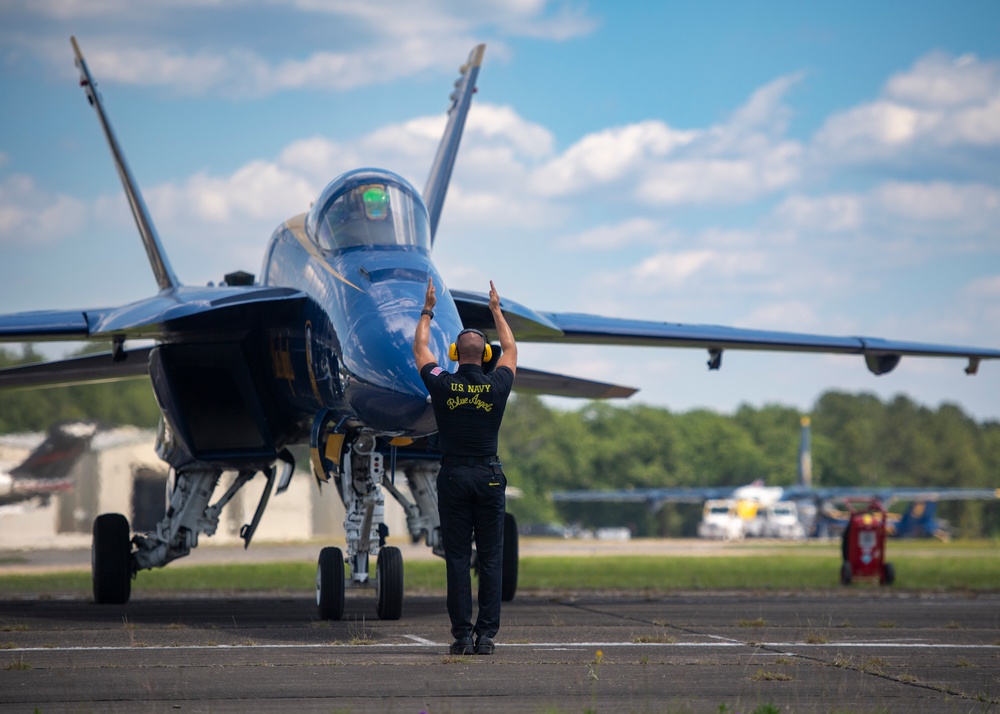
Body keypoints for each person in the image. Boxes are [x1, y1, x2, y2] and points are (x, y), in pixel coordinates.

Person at [413, 277, 518, 656]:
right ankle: (486, 636)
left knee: (457, 558)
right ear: (485, 356)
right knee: (491, 558)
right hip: (489, 477)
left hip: (454, 477)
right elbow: (510, 347)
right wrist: (496, 310)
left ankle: (460, 635)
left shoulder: (442, 384)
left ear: (455, 354)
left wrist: (428, 308)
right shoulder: (497, 385)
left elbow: (420, 348)